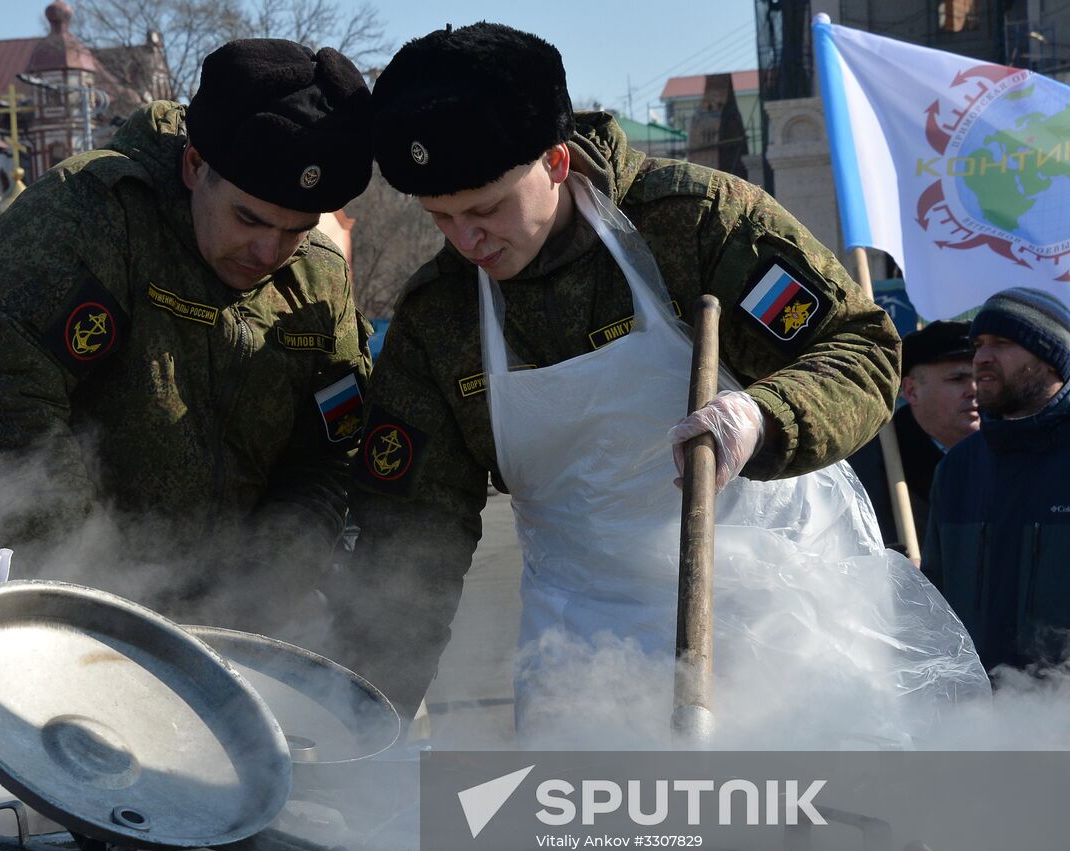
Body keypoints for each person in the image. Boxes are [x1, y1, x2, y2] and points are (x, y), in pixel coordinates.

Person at [333, 23, 909, 723]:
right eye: (441, 217)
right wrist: (356, 721)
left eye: (485, 209)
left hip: (777, 613)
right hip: (581, 648)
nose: (466, 240)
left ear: (554, 161)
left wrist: (765, 416)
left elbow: (861, 349)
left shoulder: (697, 225)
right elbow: (410, 541)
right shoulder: (441, 317)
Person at [0, 38, 374, 628]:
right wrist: (99, 595)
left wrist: (266, 590)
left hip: (228, 620)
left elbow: (326, 455)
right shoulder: (85, 219)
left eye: (296, 229)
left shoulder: (318, 276)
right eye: (249, 218)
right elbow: (2, 407)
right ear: (196, 165)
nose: (270, 251)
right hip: (44, 606)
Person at [924, 288, 1070, 676]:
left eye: (1002, 343)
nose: (982, 358)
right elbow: (934, 602)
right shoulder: (958, 468)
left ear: (1051, 357)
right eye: (979, 345)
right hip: (975, 719)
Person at [848, 320, 979, 552]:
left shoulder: (1015, 455)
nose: (974, 390)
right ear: (911, 391)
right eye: (957, 379)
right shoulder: (868, 464)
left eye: (981, 378)